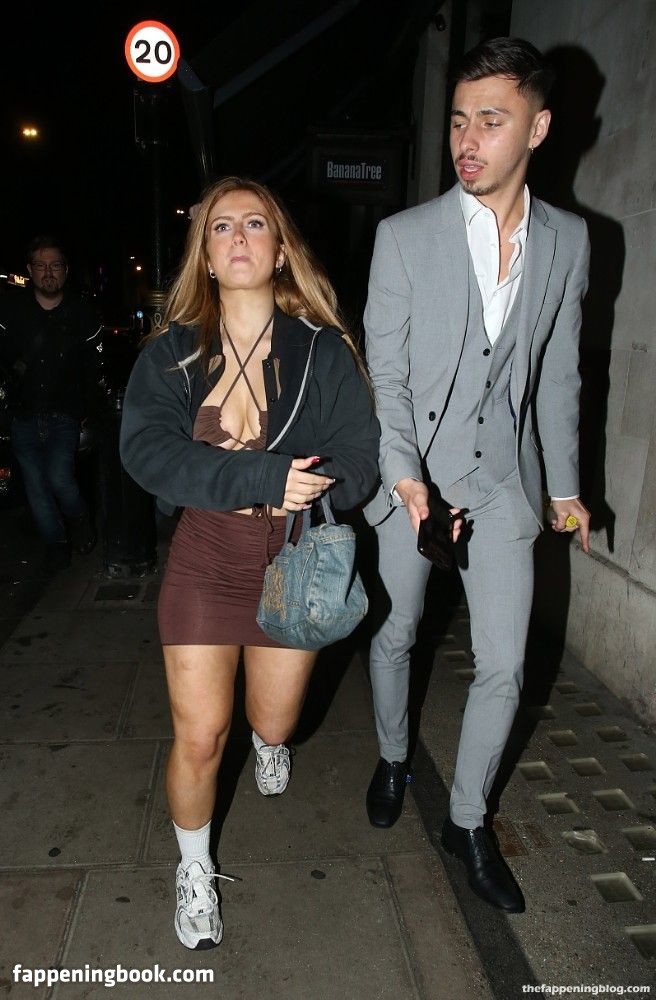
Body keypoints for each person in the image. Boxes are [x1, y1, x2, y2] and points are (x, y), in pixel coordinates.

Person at [119, 176, 380, 950]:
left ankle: (271, 745)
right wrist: (262, 476)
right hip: (205, 558)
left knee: (273, 721)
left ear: (280, 249)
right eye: (221, 226)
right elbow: (147, 452)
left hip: (291, 560)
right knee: (201, 736)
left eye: (255, 224)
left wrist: (317, 486)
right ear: (204, 254)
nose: (238, 236)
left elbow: (361, 455)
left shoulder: (320, 351)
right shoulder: (173, 354)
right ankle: (194, 870)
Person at [362, 37, 590, 913]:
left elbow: (559, 371)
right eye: (459, 120)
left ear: (537, 127)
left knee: (504, 663)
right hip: (413, 477)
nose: (467, 139)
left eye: (490, 120)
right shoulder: (404, 238)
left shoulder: (568, 239)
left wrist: (563, 486)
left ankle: (466, 821)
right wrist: (404, 479)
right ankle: (393, 758)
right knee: (398, 632)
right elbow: (386, 379)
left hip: (502, 483)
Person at [0, 236, 103, 574]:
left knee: (60, 478)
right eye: (41, 266)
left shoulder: (81, 313)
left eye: (55, 265)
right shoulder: (11, 310)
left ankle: (80, 518)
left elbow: (94, 368)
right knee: (36, 486)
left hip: (65, 414)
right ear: (30, 270)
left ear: (65, 270)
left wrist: (88, 409)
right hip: (23, 413)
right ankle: (56, 544)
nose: (48, 273)